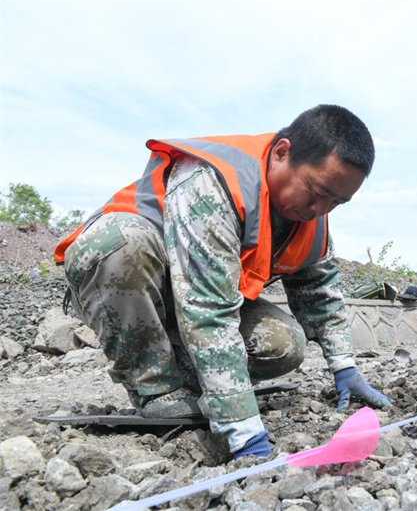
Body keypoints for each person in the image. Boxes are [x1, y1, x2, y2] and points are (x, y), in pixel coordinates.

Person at [54, 105, 391, 460]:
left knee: (284, 343)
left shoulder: (311, 217)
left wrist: (344, 366)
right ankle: (155, 388)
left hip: (199, 300)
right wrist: (245, 433)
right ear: (282, 153)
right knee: (121, 242)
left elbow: (319, 294)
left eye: (338, 201)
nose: (321, 209)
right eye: (317, 191)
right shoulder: (214, 181)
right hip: (128, 284)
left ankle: (195, 379)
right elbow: (208, 312)